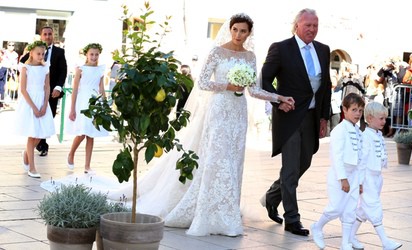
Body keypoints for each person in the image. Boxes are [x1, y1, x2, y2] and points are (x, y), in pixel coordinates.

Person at [41, 13, 294, 238]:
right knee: (214, 159)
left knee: (233, 162)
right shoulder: (217, 52)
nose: (238, 35)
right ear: (230, 30)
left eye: (243, 31)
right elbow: (204, 82)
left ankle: (226, 215)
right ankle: (204, 214)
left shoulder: (250, 56)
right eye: (235, 29)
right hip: (218, 112)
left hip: (237, 116)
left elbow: (254, 89)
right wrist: (228, 86)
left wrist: (279, 97)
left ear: (249, 34)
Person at [260, 8, 331, 236]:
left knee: (304, 163)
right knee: (290, 170)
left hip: (311, 117)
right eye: (308, 25)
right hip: (289, 118)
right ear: (297, 26)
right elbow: (264, 82)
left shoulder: (323, 50)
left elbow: (326, 85)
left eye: (315, 25)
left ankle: (271, 197)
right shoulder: (281, 48)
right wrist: (277, 100)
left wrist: (323, 117)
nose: (312, 29)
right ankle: (292, 219)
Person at [311, 93, 364, 250]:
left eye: (360, 110)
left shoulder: (358, 131)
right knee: (336, 207)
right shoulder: (339, 131)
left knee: (350, 210)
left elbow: (360, 160)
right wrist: (343, 178)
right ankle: (317, 226)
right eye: (354, 110)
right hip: (339, 175)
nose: (357, 114)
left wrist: (359, 181)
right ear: (344, 110)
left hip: (354, 175)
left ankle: (345, 243)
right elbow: (337, 157)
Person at [349, 101, 402, 250]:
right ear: (370, 118)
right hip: (367, 178)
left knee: (364, 209)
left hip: (376, 177)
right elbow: (362, 161)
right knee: (373, 207)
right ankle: (385, 242)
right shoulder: (366, 137)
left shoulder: (377, 134)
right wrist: (360, 181)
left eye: (385, 119)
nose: (384, 122)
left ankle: (349, 237)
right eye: (381, 118)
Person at [20, 26, 68, 157]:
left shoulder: (59, 52)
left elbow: (63, 70)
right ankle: (41, 146)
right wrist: (32, 51)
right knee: (37, 121)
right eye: (45, 34)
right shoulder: (35, 51)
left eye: (50, 34)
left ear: (53, 36)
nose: (47, 36)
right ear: (41, 36)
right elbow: (23, 61)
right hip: (34, 93)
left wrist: (58, 87)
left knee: (47, 118)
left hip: (51, 92)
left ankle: (34, 147)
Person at [66, 43, 108, 175]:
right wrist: (72, 109)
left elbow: (101, 89)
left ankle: (87, 165)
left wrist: (105, 105)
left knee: (91, 134)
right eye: (91, 54)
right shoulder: (80, 69)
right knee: (82, 133)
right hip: (83, 102)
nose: (94, 57)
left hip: (95, 102)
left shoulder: (100, 70)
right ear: (86, 55)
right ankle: (71, 154)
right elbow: (75, 89)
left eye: (96, 54)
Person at [15, 40, 55, 178]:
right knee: (32, 134)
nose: (41, 56)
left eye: (43, 54)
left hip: (42, 100)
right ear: (31, 53)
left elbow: (47, 86)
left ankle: (26, 153)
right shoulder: (26, 68)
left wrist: (44, 104)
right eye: (38, 53)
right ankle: (32, 167)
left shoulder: (45, 67)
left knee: (40, 133)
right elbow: (23, 90)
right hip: (29, 102)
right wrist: (34, 107)